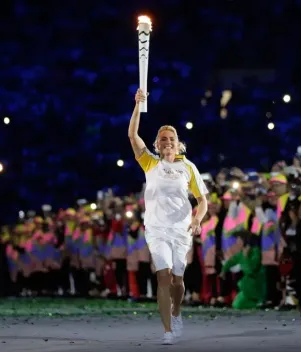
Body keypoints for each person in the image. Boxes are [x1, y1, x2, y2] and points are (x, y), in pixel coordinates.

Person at [129, 88, 209, 345]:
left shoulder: (188, 167)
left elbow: (202, 200)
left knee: (177, 279)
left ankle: (177, 312)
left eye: (171, 138)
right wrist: (138, 105)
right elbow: (132, 135)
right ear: (157, 144)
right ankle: (166, 330)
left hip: (181, 229)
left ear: (177, 142)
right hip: (156, 229)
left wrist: (197, 219)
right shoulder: (150, 163)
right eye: (163, 139)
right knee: (162, 276)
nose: (167, 142)